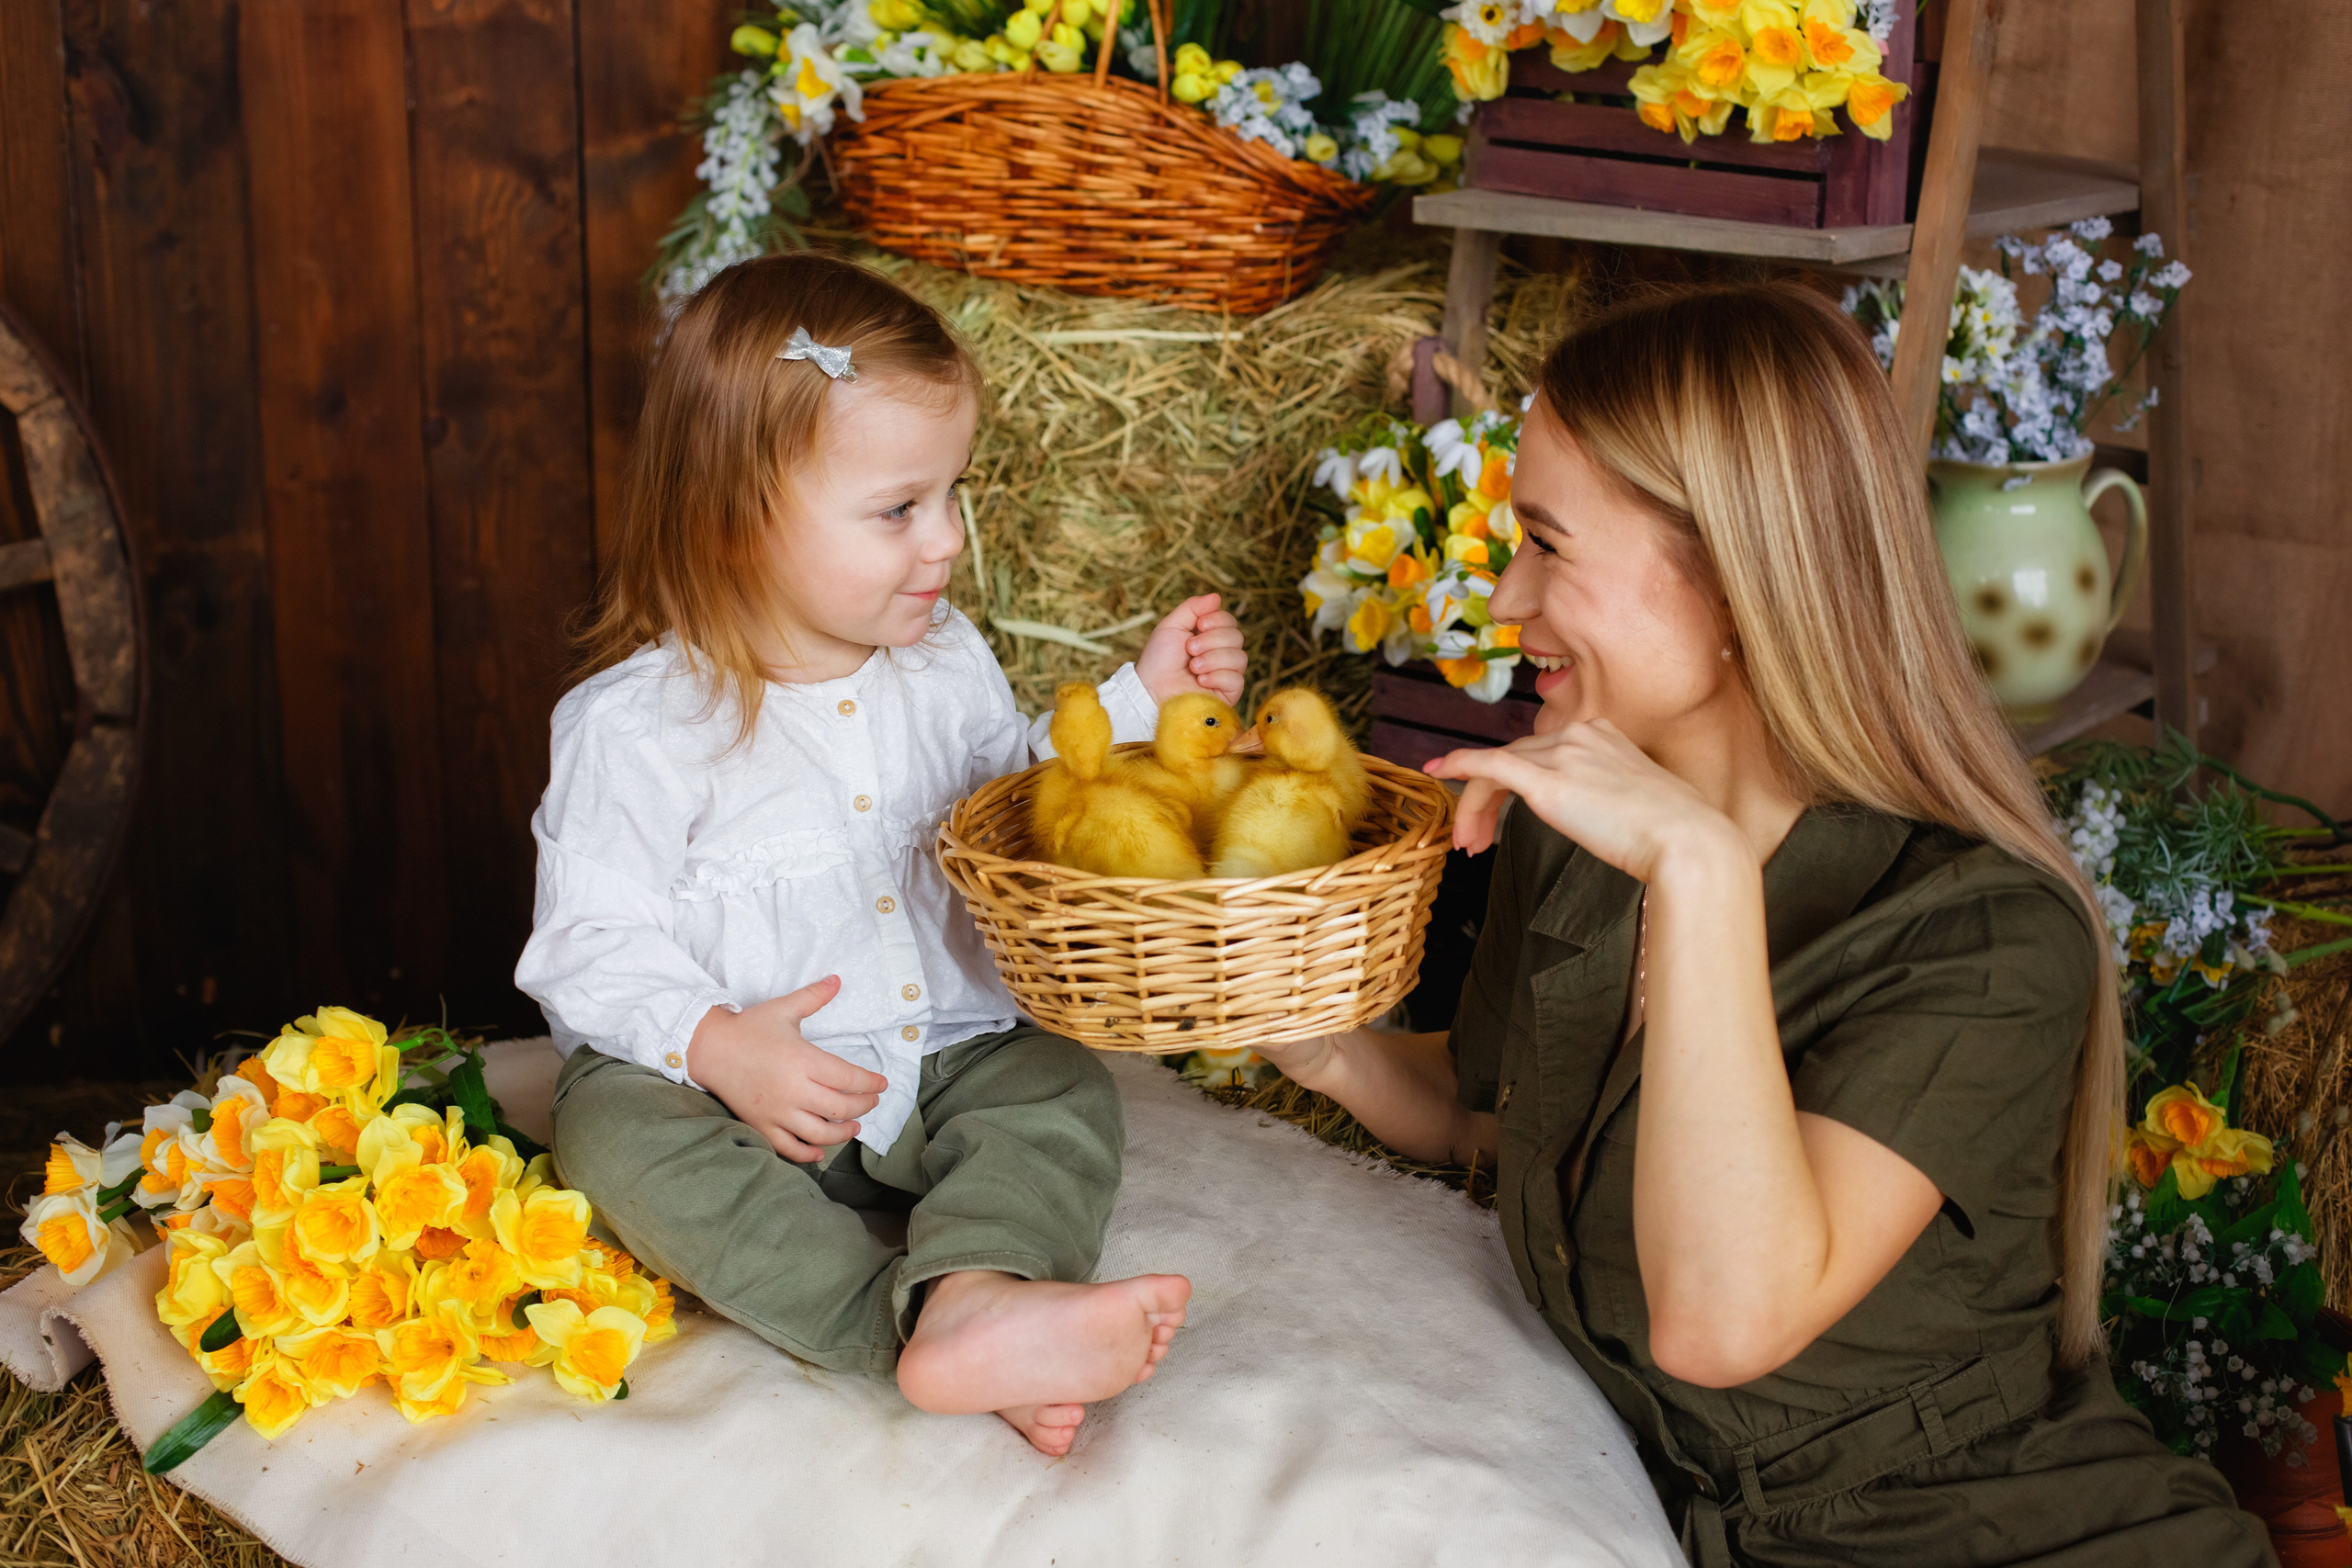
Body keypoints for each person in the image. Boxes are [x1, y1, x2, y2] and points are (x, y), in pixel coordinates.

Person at [1253, 285, 2274, 1564]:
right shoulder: (1578, 830)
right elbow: (1486, 1115)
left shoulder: (1988, 942)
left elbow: (1719, 1322)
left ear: (1734, 584)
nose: (1508, 600)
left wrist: (1699, 870)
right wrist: (1319, 1041)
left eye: (1548, 545)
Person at [516, 254, 1238, 1456]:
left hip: (947, 1060)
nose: (946, 541)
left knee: (1058, 1091)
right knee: (609, 1133)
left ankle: (980, 1286)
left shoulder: (942, 659)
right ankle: (901, 1327)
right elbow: (589, 942)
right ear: (734, 521)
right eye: (899, 509)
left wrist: (1134, 707)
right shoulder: (637, 728)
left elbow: (1007, 802)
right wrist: (716, 1046)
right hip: (744, 1104)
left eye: (953, 493)